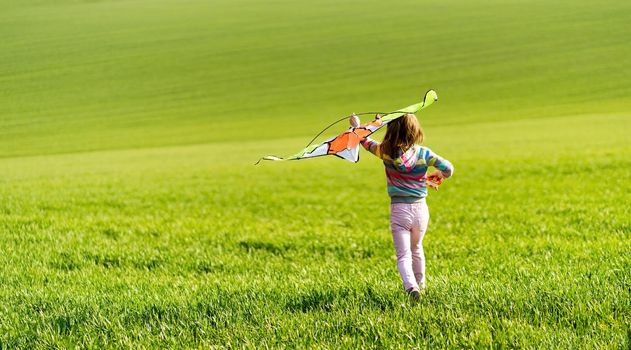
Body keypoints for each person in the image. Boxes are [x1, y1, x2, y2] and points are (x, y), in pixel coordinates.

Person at [353, 113, 454, 300]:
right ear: (415, 131)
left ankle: (410, 287)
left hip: (399, 210)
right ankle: (421, 285)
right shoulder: (425, 154)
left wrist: (358, 126)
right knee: (417, 248)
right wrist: (439, 175)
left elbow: (364, 141)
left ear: (391, 130)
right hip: (420, 210)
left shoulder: (385, 151)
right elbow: (449, 168)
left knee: (403, 255)